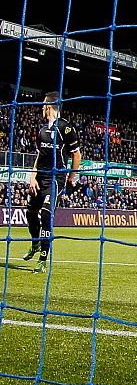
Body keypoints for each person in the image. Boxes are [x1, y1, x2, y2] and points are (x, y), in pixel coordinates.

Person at [24, 92, 81, 273]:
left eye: (43, 105)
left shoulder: (65, 128)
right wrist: (32, 176)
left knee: (46, 215)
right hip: (40, 176)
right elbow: (39, 155)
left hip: (55, 179)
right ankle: (35, 244)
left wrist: (72, 176)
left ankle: (42, 260)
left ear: (48, 106)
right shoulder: (41, 131)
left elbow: (76, 154)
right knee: (31, 213)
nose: (41, 108)